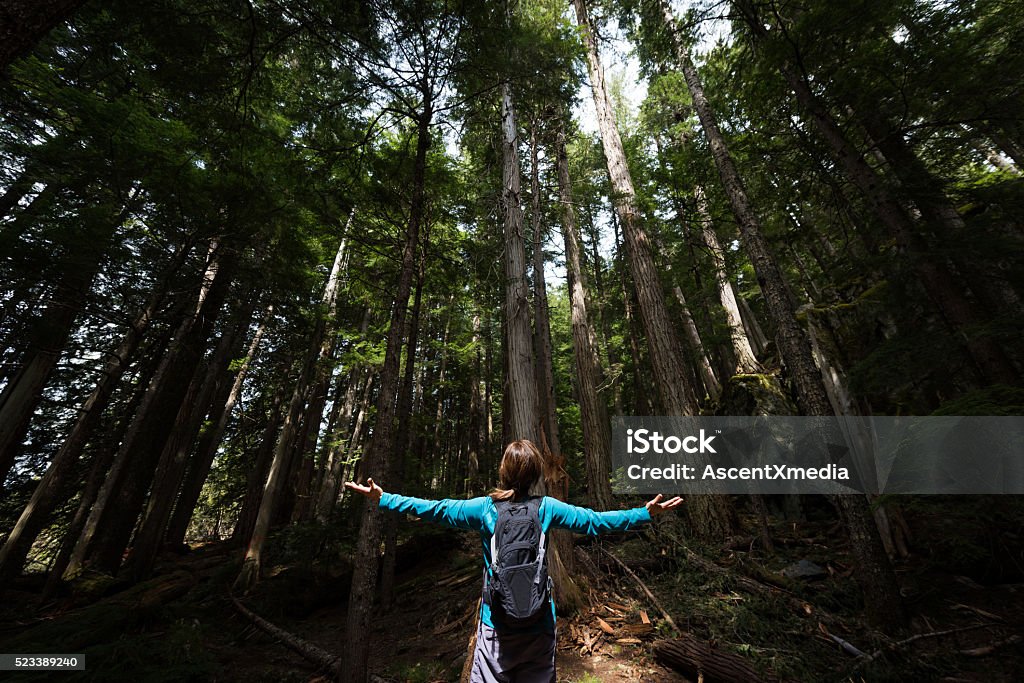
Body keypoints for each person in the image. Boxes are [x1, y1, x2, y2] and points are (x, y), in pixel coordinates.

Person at [345, 438, 683, 683]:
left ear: (504, 472)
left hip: (496, 629)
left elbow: (435, 509)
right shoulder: (547, 507)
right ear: (536, 474)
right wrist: (643, 513)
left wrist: (384, 498)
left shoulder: (484, 508)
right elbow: (595, 521)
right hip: (539, 625)